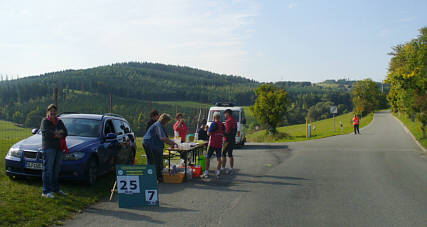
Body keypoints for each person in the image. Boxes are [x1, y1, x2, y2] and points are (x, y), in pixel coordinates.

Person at [40, 104, 68, 199]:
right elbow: (47, 134)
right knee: (48, 170)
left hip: (59, 148)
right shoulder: (45, 122)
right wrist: (58, 133)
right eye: (51, 111)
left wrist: (55, 134)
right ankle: (46, 191)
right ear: (48, 112)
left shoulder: (59, 121)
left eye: (54, 111)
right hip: (49, 148)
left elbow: (65, 132)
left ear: (56, 112)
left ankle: (56, 189)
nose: (53, 113)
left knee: (56, 170)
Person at [143, 113, 177, 182]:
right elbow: (163, 138)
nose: (167, 123)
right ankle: (153, 178)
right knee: (153, 161)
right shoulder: (158, 125)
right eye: (167, 122)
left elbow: (165, 137)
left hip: (154, 144)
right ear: (165, 121)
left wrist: (170, 142)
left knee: (157, 160)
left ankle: (157, 176)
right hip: (150, 143)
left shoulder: (159, 125)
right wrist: (173, 143)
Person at [201, 112, 224, 179]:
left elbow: (208, 134)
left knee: (208, 157)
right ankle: (218, 172)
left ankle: (206, 172)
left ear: (214, 117)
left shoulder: (213, 124)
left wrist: (207, 130)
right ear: (219, 117)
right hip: (219, 143)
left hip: (212, 143)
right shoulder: (222, 125)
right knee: (219, 158)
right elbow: (224, 133)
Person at [222, 109, 237, 175]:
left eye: (225, 114)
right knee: (230, 154)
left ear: (228, 113)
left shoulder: (228, 121)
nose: (225, 115)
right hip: (232, 139)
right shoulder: (234, 120)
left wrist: (222, 131)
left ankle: (223, 168)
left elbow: (227, 132)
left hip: (227, 140)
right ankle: (231, 168)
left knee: (223, 153)